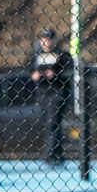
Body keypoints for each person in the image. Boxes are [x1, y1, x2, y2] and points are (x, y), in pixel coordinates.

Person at [30, 28, 72, 167]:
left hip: (57, 91)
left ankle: (49, 155)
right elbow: (29, 69)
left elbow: (69, 70)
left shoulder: (62, 55)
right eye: (43, 38)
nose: (46, 41)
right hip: (42, 92)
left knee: (53, 123)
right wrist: (35, 75)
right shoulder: (36, 56)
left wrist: (55, 74)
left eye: (49, 38)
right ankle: (57, 155)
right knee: (47, 124)